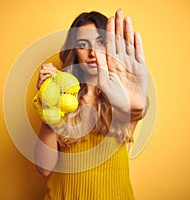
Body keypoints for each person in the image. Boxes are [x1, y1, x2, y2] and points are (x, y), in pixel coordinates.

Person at [34, 9, 149, 200]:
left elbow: (138, 109)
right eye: (82, 45)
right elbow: (44, 169)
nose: (92, 53)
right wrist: (49, 103)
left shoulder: (124, 100)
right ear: (74, 53)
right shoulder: (64, 99)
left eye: (100, 42)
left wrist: (138, 103)